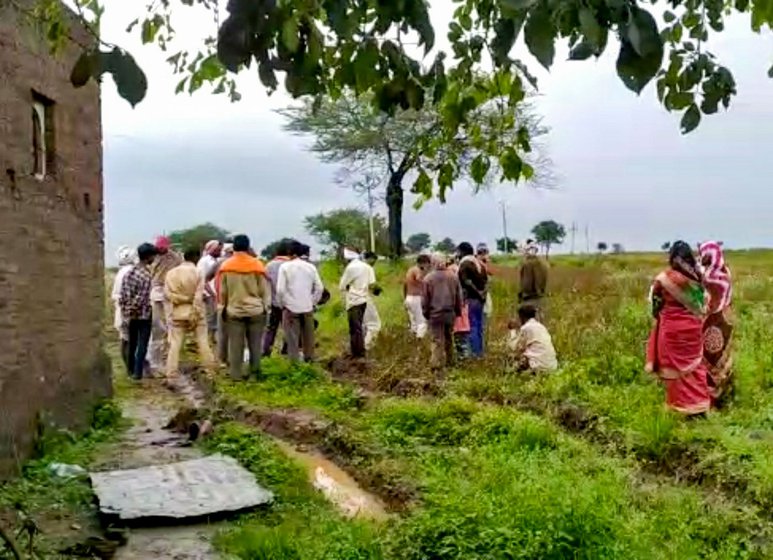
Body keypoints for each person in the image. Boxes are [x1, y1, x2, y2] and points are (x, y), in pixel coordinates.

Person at [646, 241, 711, 416]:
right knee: (695, 366)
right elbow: (705, 303)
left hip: (671, 329)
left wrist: (658, 314)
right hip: (693, 329)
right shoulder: (697, 278)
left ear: (672, 257)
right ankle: (700, 406)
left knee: (673, 369)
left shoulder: (664, 278)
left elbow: (654, 302)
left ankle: (679, 406)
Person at [218, 234, 270, 380]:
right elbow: (263, 290)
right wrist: (265, 307)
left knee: (235, 344)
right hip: (256, 310)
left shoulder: (226, 266)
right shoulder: (257, 265)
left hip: (234, 310)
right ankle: (254, 373)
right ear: (248, 247)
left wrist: (224, 307)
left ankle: (235, 374)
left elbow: (223, 291)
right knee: (255, 344)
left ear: (234, 246)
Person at [165, 248, 216, 382]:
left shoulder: (171, 273)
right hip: (196, 313)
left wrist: (182, 299)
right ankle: (210, 371)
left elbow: (169, 295)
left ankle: (171, 374)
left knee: (175, 344)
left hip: (178, 312)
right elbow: (198, 296)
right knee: (203, 342)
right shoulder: (198, 272)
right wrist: (194, 310)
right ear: (196, 258)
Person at [277, 241, 324, 362]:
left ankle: (294, 364)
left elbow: (280, 290)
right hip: (307, 307)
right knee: (308, 338)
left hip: (291, 308)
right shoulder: (311, 267)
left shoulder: (285, 267)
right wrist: (312, 302)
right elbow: (319, 288)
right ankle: (309, 361)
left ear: (290, 254)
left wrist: (283, 304)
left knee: (292, 339)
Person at [699, 241, 734, 403]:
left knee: (711, 354)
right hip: (726, 317)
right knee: (722, 353)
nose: (702, 259)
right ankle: (724, 392)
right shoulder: (726, 271)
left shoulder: (708, 276)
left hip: (713, 318)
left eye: (705, 256)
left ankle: (711, 395)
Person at [119, 243, 157, 380]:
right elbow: (141, 298)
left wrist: (126, 311)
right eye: (153, 255)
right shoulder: (146, 276)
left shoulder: (129, 272)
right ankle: (138, 372)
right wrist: (134, 309)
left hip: (130, 314)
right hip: (143, 314)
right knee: (142, 345)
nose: (154, 258)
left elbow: (122, 296)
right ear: (148, 257)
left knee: (132, 342)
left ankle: (130, 370)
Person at [422, 254, 463, 373]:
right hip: (450, 313)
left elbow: (425, 300)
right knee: (449, 338)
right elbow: (458, 296)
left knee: (436, 340)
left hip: (435, 314)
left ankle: (436, 365)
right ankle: (450, 362)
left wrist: (426, 313)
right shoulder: (453, 276)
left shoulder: (428, 278)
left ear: (432, 262)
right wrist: (458, 311)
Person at [148, 235, 183, 375]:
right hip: (156, 292)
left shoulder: (175, 257)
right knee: (157, 327)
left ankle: (169, 359)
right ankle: (155, 360)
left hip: (170, 292)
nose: (161, 249)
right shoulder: (153, 257)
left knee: (171, 326)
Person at [339, 251, 379, 358]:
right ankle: (361, 351)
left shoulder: (351, 268)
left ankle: (358, 353)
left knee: (355, 328)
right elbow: (373, 286)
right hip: (365, 300)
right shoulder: (368, 268)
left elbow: (342, 286)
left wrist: (350, 288)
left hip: (353, 301)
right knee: (363, 326)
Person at [262, 239, 293, 357]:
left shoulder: (269, 265)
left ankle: (266, 351)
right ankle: (286, 351)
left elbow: (265, 284)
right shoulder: (290, 265)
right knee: (288, 328)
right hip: (288, 303)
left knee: (271, 328)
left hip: (273, 301)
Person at [457, 242, 488, 357]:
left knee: (472, 326)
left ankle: (474, 353)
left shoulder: (465, 264)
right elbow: (485, 282)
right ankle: (479, 351)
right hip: (480, 300)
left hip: (470, 299)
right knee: (479, 326)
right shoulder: (479, 264)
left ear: (462, 251)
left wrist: (477, 293)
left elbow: (466, 282)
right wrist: (482, 295)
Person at [507, 304, 558, 373]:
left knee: (513, 358)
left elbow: (514, 347)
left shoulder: (526, 328)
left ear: (522, 317)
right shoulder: (541, 326)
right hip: (552, 366)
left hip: (538, 366)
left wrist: (512, 330)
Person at [111, 246, 136, 369]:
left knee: (124, 339)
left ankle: (128, 368)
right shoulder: (133, 271)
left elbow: (115, 295)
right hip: (131, 311)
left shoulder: (119, 273)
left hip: (121, 310)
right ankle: (132, 368)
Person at [196, 240, 223, 341]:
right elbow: (202, 279)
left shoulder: (217, 260)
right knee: (210, 317)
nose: (219, 251)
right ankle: (208, 338)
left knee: (215, 316)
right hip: (208, 293)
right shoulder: (204, 261)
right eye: (217, 250)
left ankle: (212, 338)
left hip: (216, 292)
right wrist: (211, 293)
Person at [447, 257, 471, 359]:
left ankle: (462, 358)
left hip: (458, 323)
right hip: (464, 323)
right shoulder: (458, 269)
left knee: (459, 341)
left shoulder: (450, 272)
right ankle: (465, 357)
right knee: (464, 341)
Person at [519, 240, 548, 317]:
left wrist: (522, 295)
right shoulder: (544, 263)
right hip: (540, 296)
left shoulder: (527, 264)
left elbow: (526, 284)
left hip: (529, 297)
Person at [404, 254, 431, 338]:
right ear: (424, 263)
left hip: (409, 297)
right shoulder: (418, 270)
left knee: (413, 323)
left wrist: (404, 298)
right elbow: (420, 279)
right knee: (422, 322)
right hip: (417, 298)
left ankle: (413, 342)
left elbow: (405, 284)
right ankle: (419, 341)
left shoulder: (410, 270)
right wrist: (425, 272)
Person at [476, 243, 494, 318]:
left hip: (485, 291)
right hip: (479, 291)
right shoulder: (477, 263)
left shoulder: (484, 264)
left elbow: (491, 273)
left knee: (487, 311)